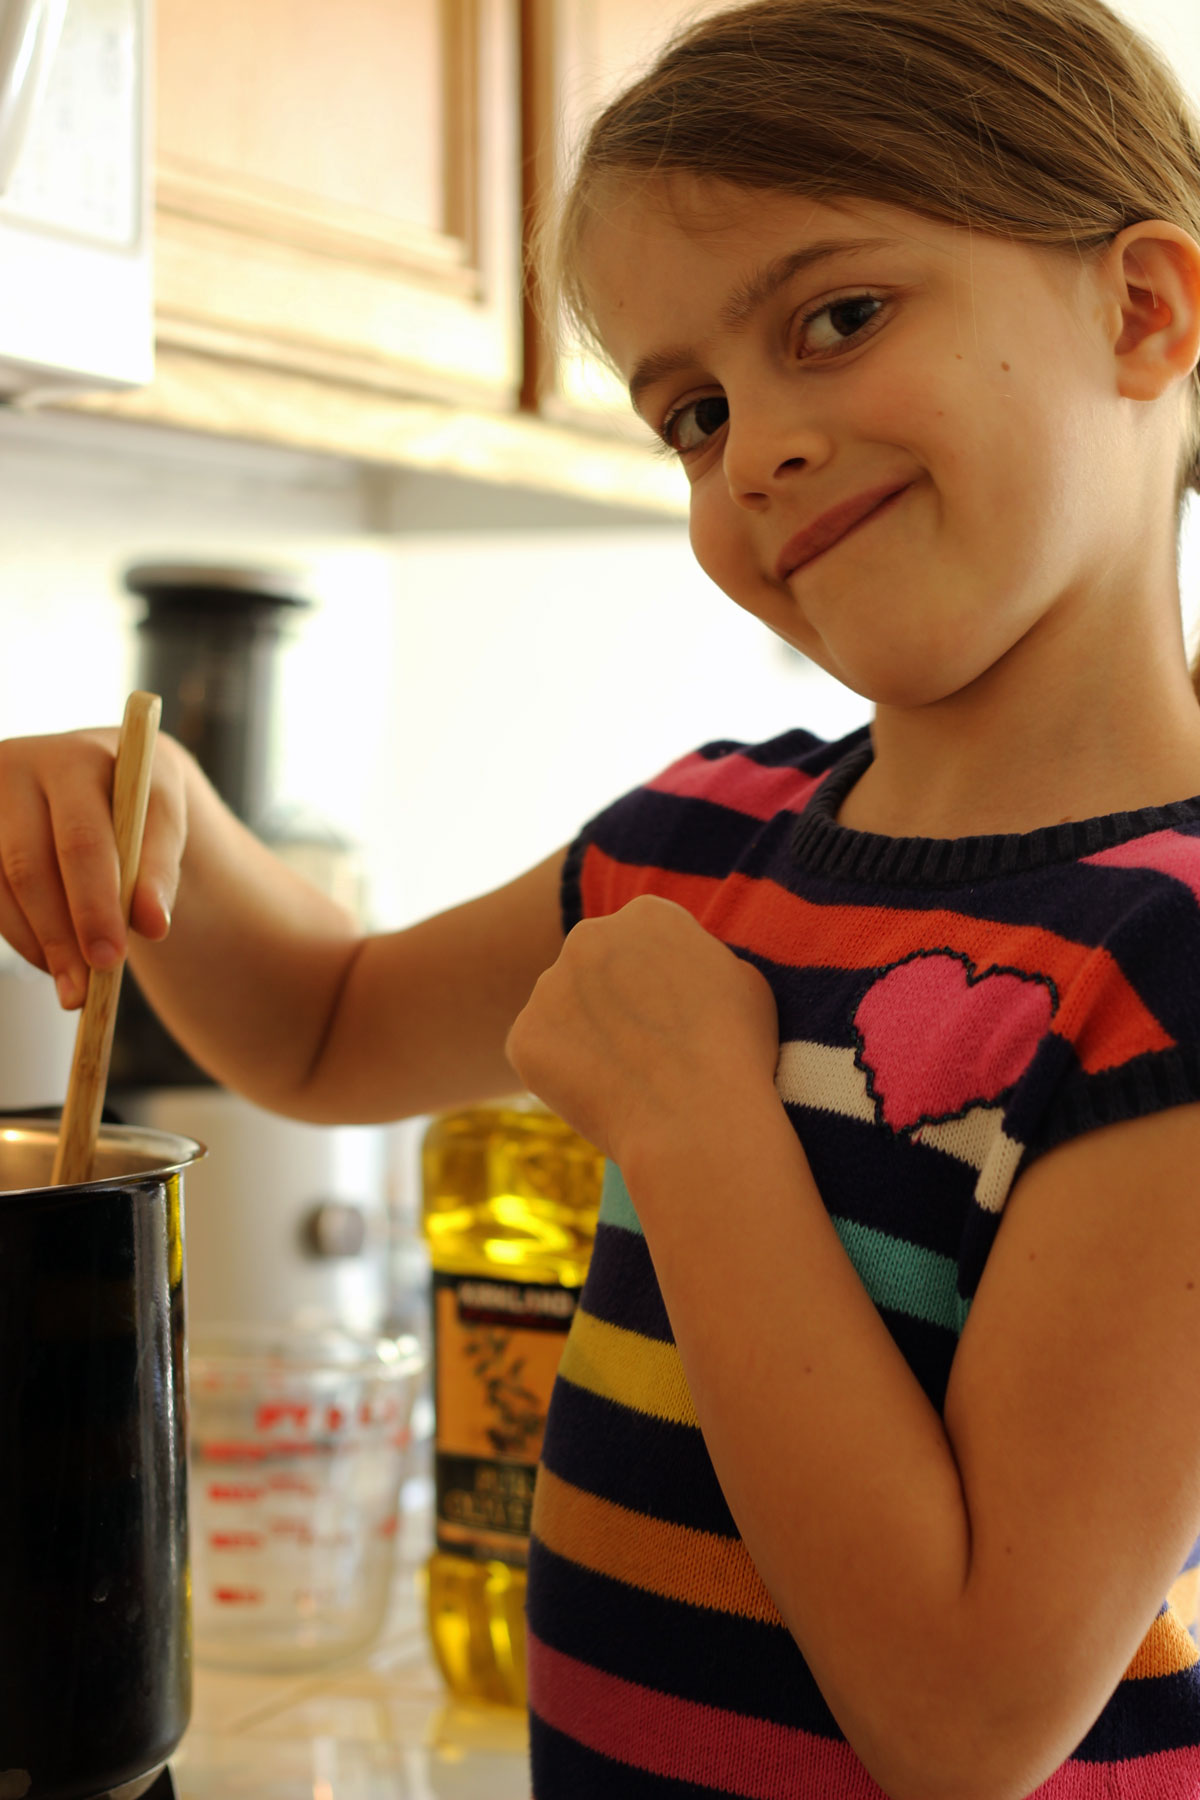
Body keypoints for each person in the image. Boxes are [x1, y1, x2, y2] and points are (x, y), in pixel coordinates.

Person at [5, 0, 1200, 1791]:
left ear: (1143, 308)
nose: (758, 452)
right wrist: (151, 803)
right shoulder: (699, 845)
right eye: (694, 414)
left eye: (840, 319)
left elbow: (965, 1716)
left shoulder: (1167, 952)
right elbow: (322, 1036)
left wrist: (698, 1121)